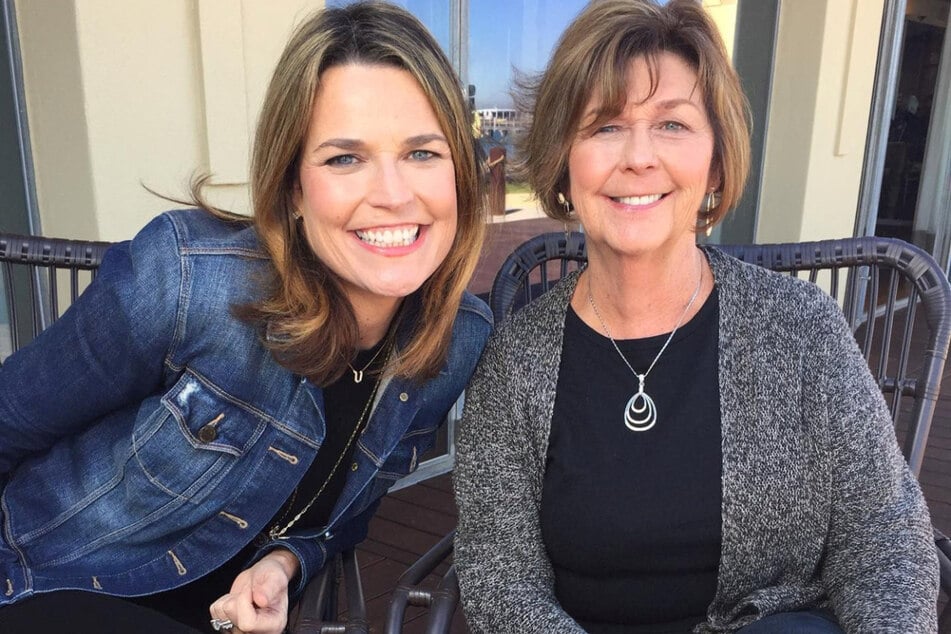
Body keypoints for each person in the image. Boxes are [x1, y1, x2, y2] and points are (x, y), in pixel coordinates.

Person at [0, 3, 491, 633]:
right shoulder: (187, 281)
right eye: (344, 158)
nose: (394, 193)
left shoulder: (454, 340)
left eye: (423, 152)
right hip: (45, 579)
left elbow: (351, 508)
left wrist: (283, 562)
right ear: (292, 188)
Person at [453, 1, 938, 632]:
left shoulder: (801, 330)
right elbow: (499, 577)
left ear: (714, 164)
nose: (639, 157)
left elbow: (884, 539)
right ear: (563, 165)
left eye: (673, 125)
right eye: (603, 127)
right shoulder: (514, 362)